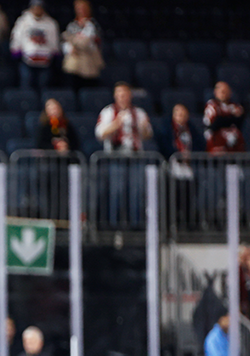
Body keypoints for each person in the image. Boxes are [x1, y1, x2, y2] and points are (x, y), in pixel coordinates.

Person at [95, 82, 153, 226]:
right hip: (115, 156)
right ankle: (115, 225)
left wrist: (143, 128)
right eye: (119, 94)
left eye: (125, 94)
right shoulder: (107, 112)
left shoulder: (139, 113)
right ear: (115, 96)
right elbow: (100, 133)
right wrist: (116, 123)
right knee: (117, 192)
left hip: (135, 156)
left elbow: (147, 134)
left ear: (130, 96)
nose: (122, 97)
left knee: (137, 192)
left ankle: (136, 225)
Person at [157, 104, 203, 228]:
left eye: (183, 114)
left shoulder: (191, 129)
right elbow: (163, 144)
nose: (180, 116)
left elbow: (200, 144)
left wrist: (190, 155)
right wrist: (176, 154)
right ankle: (170, 223)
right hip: (173, 167)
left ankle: (187, 223)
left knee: (188, 198)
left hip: (188, 168)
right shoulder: (167, 128)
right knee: (173, 197)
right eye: (177, 114)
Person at [10, 0, 59, 90]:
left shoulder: (50, 23)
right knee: (26, 87)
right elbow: (16, 38)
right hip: (27, 61)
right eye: (35, 7)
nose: (37, 9)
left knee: (44, 87)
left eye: (39, 7)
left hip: (45, 63)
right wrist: (16, 51)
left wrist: (53, 54)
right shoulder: (23, 21)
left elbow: (54, 43)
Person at [61, 0, 103, 90]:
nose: (81, 11)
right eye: (79, 8)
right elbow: (65, 39)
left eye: (83, 8)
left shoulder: (93, 24)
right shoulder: (72, 25)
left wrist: (76, 41)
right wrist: (69, 47)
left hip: (90, 61)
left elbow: (92, 42)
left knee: (89, 87)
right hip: (75, 61)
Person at [203, 81, 246, 153]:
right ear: (215, 92)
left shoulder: (235, 106)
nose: (224, 94)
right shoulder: (212, 105)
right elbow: (215, 124)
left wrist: (225, 119)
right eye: (222, 91)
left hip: (235, 148)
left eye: (226, 91)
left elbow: (240, 119)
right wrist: (230, 119)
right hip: (218, 146)